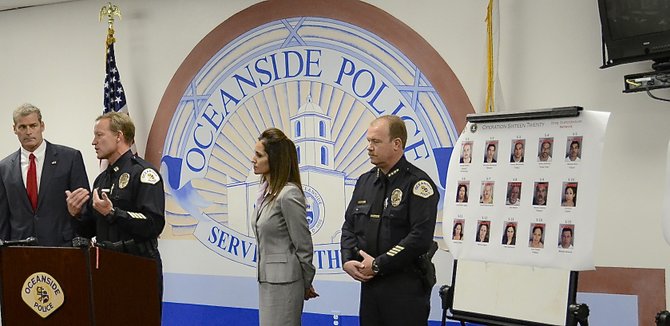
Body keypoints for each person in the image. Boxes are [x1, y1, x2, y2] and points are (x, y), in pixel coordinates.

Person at [341, 115, 439, 326]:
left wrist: (378, 264)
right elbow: (349, 225)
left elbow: (420, 237)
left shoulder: (418, 184)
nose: (369, 147)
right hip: (370, 288)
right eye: (368, 141)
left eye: (375, 142)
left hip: (404, 288)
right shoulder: (365, 181)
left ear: (397, 144)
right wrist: (347, 258)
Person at [65, 112, 165, 306]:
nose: (94, 142)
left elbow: (154, 225)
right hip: (106, 266)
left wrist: (114, 213)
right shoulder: (102, 180)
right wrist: (76, 214)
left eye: (99, 135)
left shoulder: (143, 173)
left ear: (119, 136)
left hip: (138, 266)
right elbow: (92, 229)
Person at [250, 128, 318, 325]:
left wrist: (306, 283)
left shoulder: (289, 194)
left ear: (275, 160)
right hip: (268, 280)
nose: (252, 159)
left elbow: (303, 245)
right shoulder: (266, 193)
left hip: (286, 283)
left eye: (259, 155)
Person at [0, 103, 90, 246]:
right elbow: (3, 217)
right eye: (22, 127)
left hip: (62, 247)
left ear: (42, 126)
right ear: (14, 129)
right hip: (20, 249)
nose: (28, 132)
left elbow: (84, 206)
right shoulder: (4, 168)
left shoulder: (70, 158)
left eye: (33, 125)